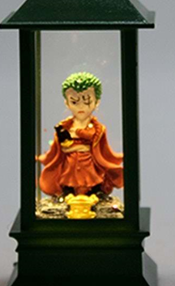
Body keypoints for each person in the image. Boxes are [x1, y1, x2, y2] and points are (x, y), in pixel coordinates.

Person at [39, 71, 124, 199]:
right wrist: (79, 147)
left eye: (87, 101)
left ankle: (95, 195)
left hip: (89, 167)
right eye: (74, 102)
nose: (81, 106)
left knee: (93, 185)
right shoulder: (64, 127)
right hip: (70, 167)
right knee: (68, 186)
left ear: (96, 102)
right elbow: (61, 149)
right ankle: (67, 195)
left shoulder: (99, 129)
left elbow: (103, 151)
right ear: (67, 103)